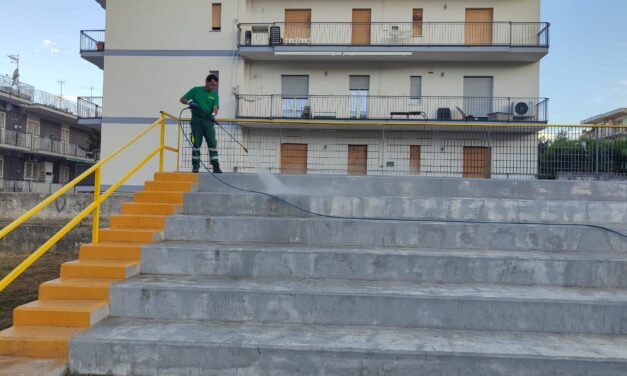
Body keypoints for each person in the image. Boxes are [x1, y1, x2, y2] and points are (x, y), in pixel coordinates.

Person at [180, 74, 222, 173]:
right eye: (212, 84)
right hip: (196, 121)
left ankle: (216, 166)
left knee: (212, 143)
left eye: (215, 85)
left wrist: (213, 114)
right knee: (196, 143)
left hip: (208, 122)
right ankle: (195, 167)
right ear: (206, 82)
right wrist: (190, 102)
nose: (213, 87)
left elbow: (216, 107)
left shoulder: (214, 95)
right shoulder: (196, 90)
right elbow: (182, 99)